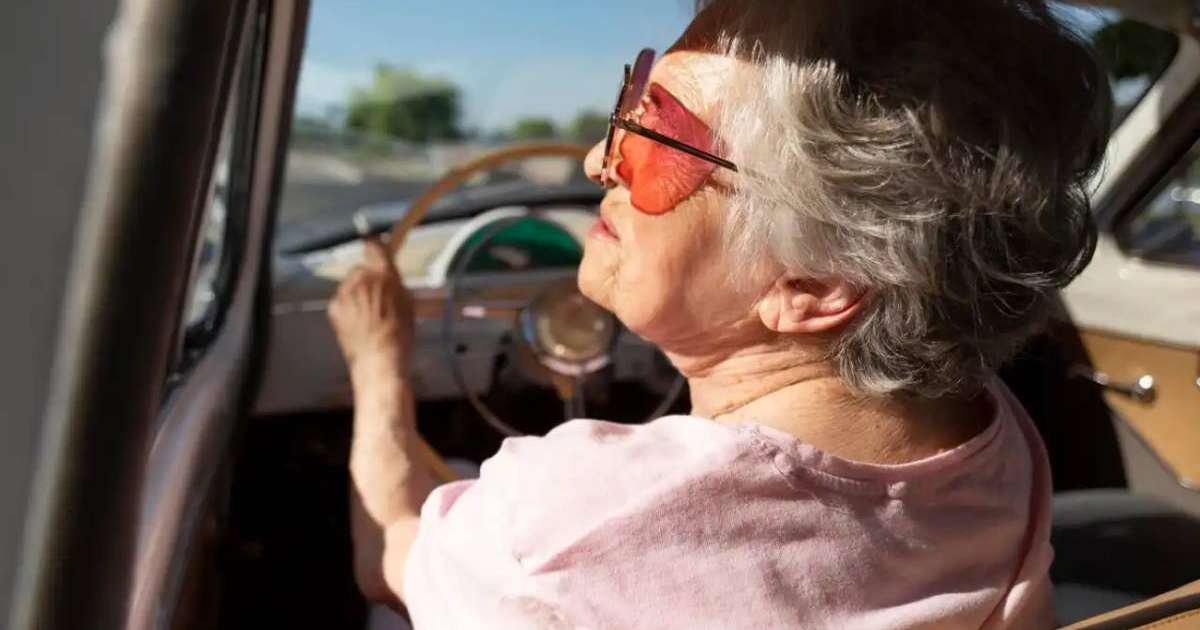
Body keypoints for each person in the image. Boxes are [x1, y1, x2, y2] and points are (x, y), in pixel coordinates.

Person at [328, 0, 1111, 627]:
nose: (598, 161)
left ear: (813, 284)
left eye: (655, 134)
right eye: (627, 105)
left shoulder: (558, 529)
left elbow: (388, 551)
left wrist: (376, 361)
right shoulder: (995, 441)